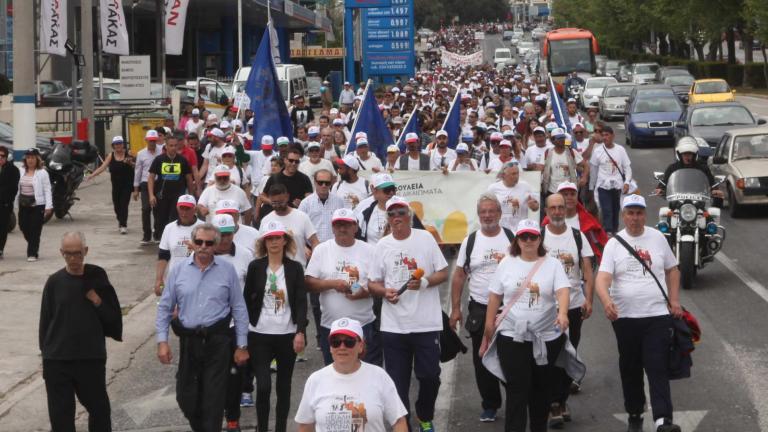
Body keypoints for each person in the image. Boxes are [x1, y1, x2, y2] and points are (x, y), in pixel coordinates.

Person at [594, 195, 683, 432]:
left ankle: (663, 420)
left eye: (639, 213)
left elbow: (672, 270)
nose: (635, 218)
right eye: (630, 213)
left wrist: (674, 300)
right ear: (624, 215)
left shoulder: (657, 238)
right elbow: (602, 278)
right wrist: (606, 301)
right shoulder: (614, 244)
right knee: (630, 367)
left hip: (657, 316)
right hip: (625, 318)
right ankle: (634, 412)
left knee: (657, 366)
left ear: (645, 214)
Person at [156, 223, 250, 432]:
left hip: (218, 341)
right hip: (189, 340)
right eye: (199, 242)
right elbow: (164, 308)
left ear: (215, 245)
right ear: (193, 243)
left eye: (209, 243)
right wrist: (162, 342)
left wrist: (241, 345)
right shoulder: (179, 270)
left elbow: (239, 308)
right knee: (186, 397)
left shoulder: (227, 271)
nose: (203, 246)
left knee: (213, 399)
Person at [479, 219, 571, 432]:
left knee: (541, 391)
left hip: (546, 337)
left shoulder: (553, 264)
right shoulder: (506, 263)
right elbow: (494, 296)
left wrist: (563, 313)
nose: (528, 241)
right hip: (512, 336)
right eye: (524, 237)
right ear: (517, 240)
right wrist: (488, 325)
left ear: (539, 239)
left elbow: (562, 291)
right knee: (517, 389)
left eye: (533, 236)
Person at [368, 196, 449, 432]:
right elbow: (373, 283)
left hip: (426, 324)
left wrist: (424, 282)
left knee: (430, 376)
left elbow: (443, 272)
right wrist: (385, 292)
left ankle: (425, 414)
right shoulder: (382, 245)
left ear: (409, 216)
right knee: (397, 382)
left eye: (400, 213)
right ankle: (403, 424)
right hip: (394, 326)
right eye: (392, 214)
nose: (396, 218)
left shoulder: (424, 238)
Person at [40, 232, 122, 432]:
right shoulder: (54, 282)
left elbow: (113, 318)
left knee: (100, 411)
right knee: (61, 418)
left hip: (90, 358)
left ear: (86, 251)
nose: (73, 259)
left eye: (77, 253)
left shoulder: (97, 278)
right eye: (68, 254)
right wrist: (45, 355)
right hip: (58, 360)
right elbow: (45, 322)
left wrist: (96, 300)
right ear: (61, 253)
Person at [449, 193, 513, 423]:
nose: (487, 215)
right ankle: (490, 405)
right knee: (483, 358)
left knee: (511, 357)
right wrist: (456, 309)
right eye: (483, 212)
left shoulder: (511, 238)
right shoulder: (471, 241)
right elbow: (458, 276)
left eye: (491, 211)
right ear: (479, 215)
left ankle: (516, 401)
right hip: (479, 308)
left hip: (508, 309)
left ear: (499, 213)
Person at [243, 220, 308, 432]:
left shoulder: (295, 268)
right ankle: (262, 428)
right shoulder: (255, 267)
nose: (273, 242)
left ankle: (280, 428)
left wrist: (300, 332)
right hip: (259, 334)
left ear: (284, 240)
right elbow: (246, 300)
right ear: (264, 242)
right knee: (263, 386)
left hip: (286, 334)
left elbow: (300, 302)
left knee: (284, 386)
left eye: (277, 237)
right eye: (269, 238)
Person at [295, 317, 409, 432]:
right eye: (336, 342)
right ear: (330, 347)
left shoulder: (379, 376)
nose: (342, 347)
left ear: (360, 346)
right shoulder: (315, 380)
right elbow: (305, 426)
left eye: (349, 342)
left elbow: (399, 421)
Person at [541, 193, 595, 427]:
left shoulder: (577, 236)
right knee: (549, 357)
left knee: (568, 354)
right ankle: (553, 404)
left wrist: (589, 299)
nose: (557, 212)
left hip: (573, 305)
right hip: (546, 309)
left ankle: (562, 401)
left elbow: (588, 270)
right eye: (552, 208)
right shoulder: (539, 236)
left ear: (566, 209)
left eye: (561, 207)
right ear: (546, 211)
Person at [305, 208, 379, 365]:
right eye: (338, 225)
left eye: (347, 225)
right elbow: (309, 283)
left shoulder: (370, 251)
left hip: (363, 325)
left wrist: (364, 293)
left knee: (365, 374)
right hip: (330, 326)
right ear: (332, 227)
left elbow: (378, 285)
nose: (342, 229)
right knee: (334, 375)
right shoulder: (321, 250)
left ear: (356, 227)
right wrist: (333, 284)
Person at [212, 213, 256, 432]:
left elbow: (254, 288)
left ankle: (232, 418)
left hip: (237, 324)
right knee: (213, 374)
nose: (224, 239)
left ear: (234, 233)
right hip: (210, 326)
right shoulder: (204, 254)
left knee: (235, 373)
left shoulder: (246, 255)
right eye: (220, 235)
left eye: (228, 234)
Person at [543, 181, 609, 264]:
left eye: (572, 194)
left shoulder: (588, 221)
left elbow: (599, 244)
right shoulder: (547, 222)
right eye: (565, 194)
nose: (569, 197)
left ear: (577, 196)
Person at [153, 195, 203, 296]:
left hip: (199, 279)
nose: (184, 213)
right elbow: (163, 255)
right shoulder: (169, 228)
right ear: (177, 208)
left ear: (194, 209)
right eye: (182, 208)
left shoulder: (204, 228)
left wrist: (196, 248)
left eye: (188, 209)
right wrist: (159, 279)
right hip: (175, 280)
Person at [148, 134, 195, 239]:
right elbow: (151, 178)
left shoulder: (183, 160)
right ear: (166, 146)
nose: (173, 148)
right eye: (171, 145)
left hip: (177, 196)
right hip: (161, 195)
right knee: (160, 219)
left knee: (174, 219)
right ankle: (160, 239)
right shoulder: (159, 160)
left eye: (175, 145)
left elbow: (189, 178)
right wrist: (151, 195)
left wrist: (191, 195)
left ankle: (173, 238)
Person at [86, 136, 135, 234]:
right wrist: (92, 175)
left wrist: (130, 163)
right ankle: (120, 221)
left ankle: (123, 225)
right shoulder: (110, 156)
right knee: (117, 206)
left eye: (120, 143)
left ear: (123, 144)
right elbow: (103, 167)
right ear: (113, 146)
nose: (118, 146)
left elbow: (137, 165)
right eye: (116, 144)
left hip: (127, 185)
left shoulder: (129, 153)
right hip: (116, 186)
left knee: (124, 204)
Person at [589, 126, 632, 235]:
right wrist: (592, 186)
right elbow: (593, 169)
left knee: (616, 210)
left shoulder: (620, 150)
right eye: (603, 135)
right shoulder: (598, 151)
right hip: (603, 186)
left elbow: (627, 167)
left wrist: (627, 182)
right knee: (606, 210)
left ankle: (615, 231)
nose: (605, 137)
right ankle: (608, 233)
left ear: (613, 136)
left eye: (607, 135)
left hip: (617, 186)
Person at [654, 136, 723, 203]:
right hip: (677, 200)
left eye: (690, 154)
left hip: (699, 199)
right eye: (685, 154)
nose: (687, 156)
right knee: (664, 213)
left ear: (694, 155)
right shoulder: (672, 168)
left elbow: (711, 182)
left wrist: (715, 190)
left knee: (712, 213)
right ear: (680, 155)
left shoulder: (703, 168)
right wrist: (660, 188)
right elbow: (664, 182)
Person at [17, 148, 52, 261]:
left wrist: (48, 206)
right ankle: (33, 244)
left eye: (32, 158)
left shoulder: (43, 173)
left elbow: (47, 189)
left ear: (37, 159)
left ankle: (32, 253)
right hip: (23, 204)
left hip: (38, 205)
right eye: (28, 158)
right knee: (23, 226)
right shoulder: (21, 170)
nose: (30, 160)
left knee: (35, 229)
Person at [487, 162, 540, 232]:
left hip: (520, 230)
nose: (516, 176)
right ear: (503, 175)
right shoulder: (493, 188)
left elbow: (536, 208)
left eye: (517, 173)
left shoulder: (525, 186)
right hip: (501, 230)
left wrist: (533, 205)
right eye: (513, 174)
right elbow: (487, 207)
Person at [133, 129, 165, 244]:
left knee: (158, 210)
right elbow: (138, 172)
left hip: (158, 183)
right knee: (146, 208)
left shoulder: (162, 151)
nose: (152, 143)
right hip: (145, 183)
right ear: (146, 140)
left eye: (154, 140)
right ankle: (146, 235)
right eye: (150, 140)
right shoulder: (141, 154)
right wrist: (136, 190)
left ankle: (157, 234)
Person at [542, 128, 588, 197]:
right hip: (552, 191)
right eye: (559, 138)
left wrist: (584, 178)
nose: (562, 140)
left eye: (563, 137)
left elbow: (586, 165)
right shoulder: (548, 153)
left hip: (568, 191)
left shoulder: (571, 152)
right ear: (552, 140)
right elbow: (542, 169)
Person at [0, 145, 20, 258]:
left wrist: (7, 200)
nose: (0, 158)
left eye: (2, 156)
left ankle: (0, 249)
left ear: (6, 157)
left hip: (4, 204)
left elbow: (13, 188)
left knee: (2, 228)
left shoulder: (13, 170)